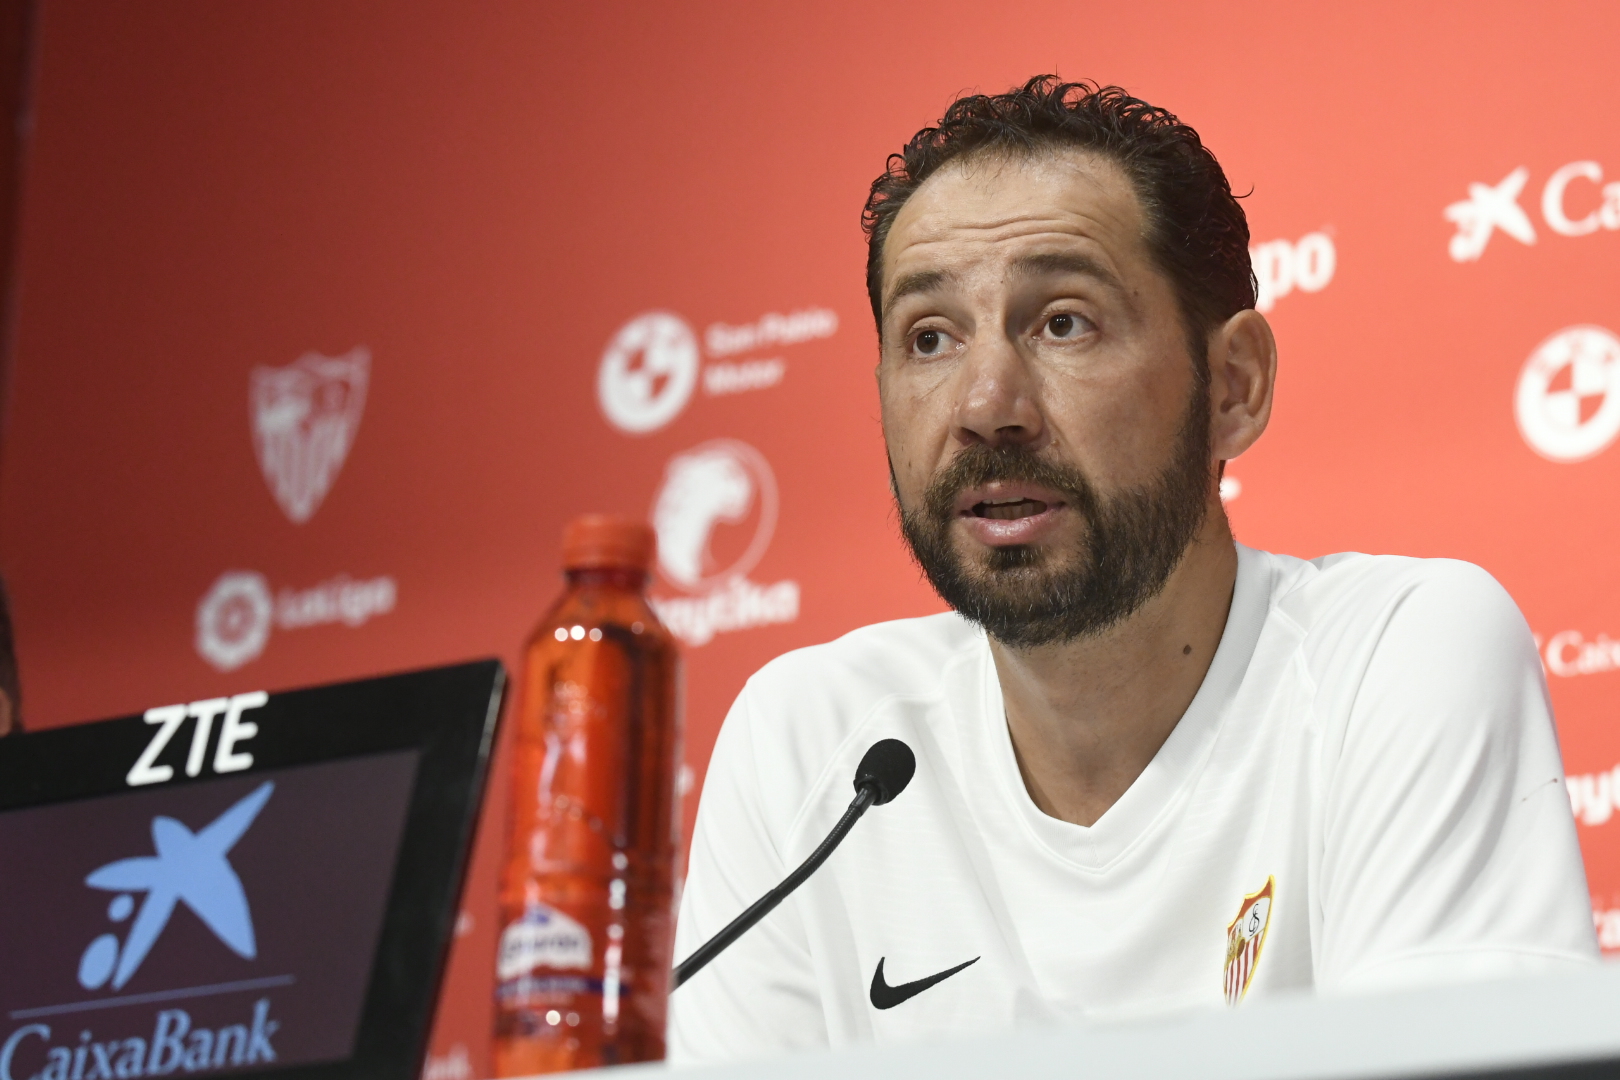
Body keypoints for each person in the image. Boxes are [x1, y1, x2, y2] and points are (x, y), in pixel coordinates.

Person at [668, 77, 1597, 1063]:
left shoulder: (1398, 657)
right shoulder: (810, 748)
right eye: (930, 338)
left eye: (1063, 321)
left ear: (1233, 386)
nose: (987, 404)